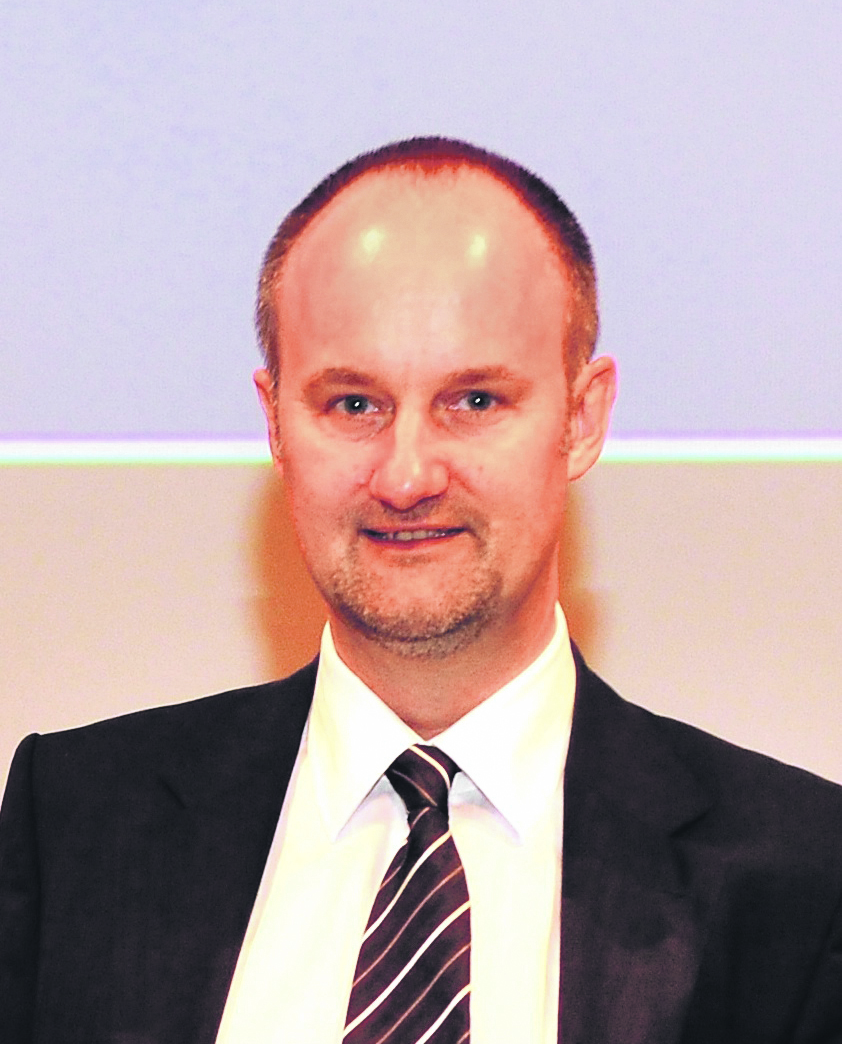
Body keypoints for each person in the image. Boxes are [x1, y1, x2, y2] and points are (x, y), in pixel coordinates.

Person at [1, 137, 841, 1044]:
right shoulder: (75, 823)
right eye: (352, 404)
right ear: (274, 422)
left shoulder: (803, 879)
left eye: (474, 400)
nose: (406, 477)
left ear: (582, 418)